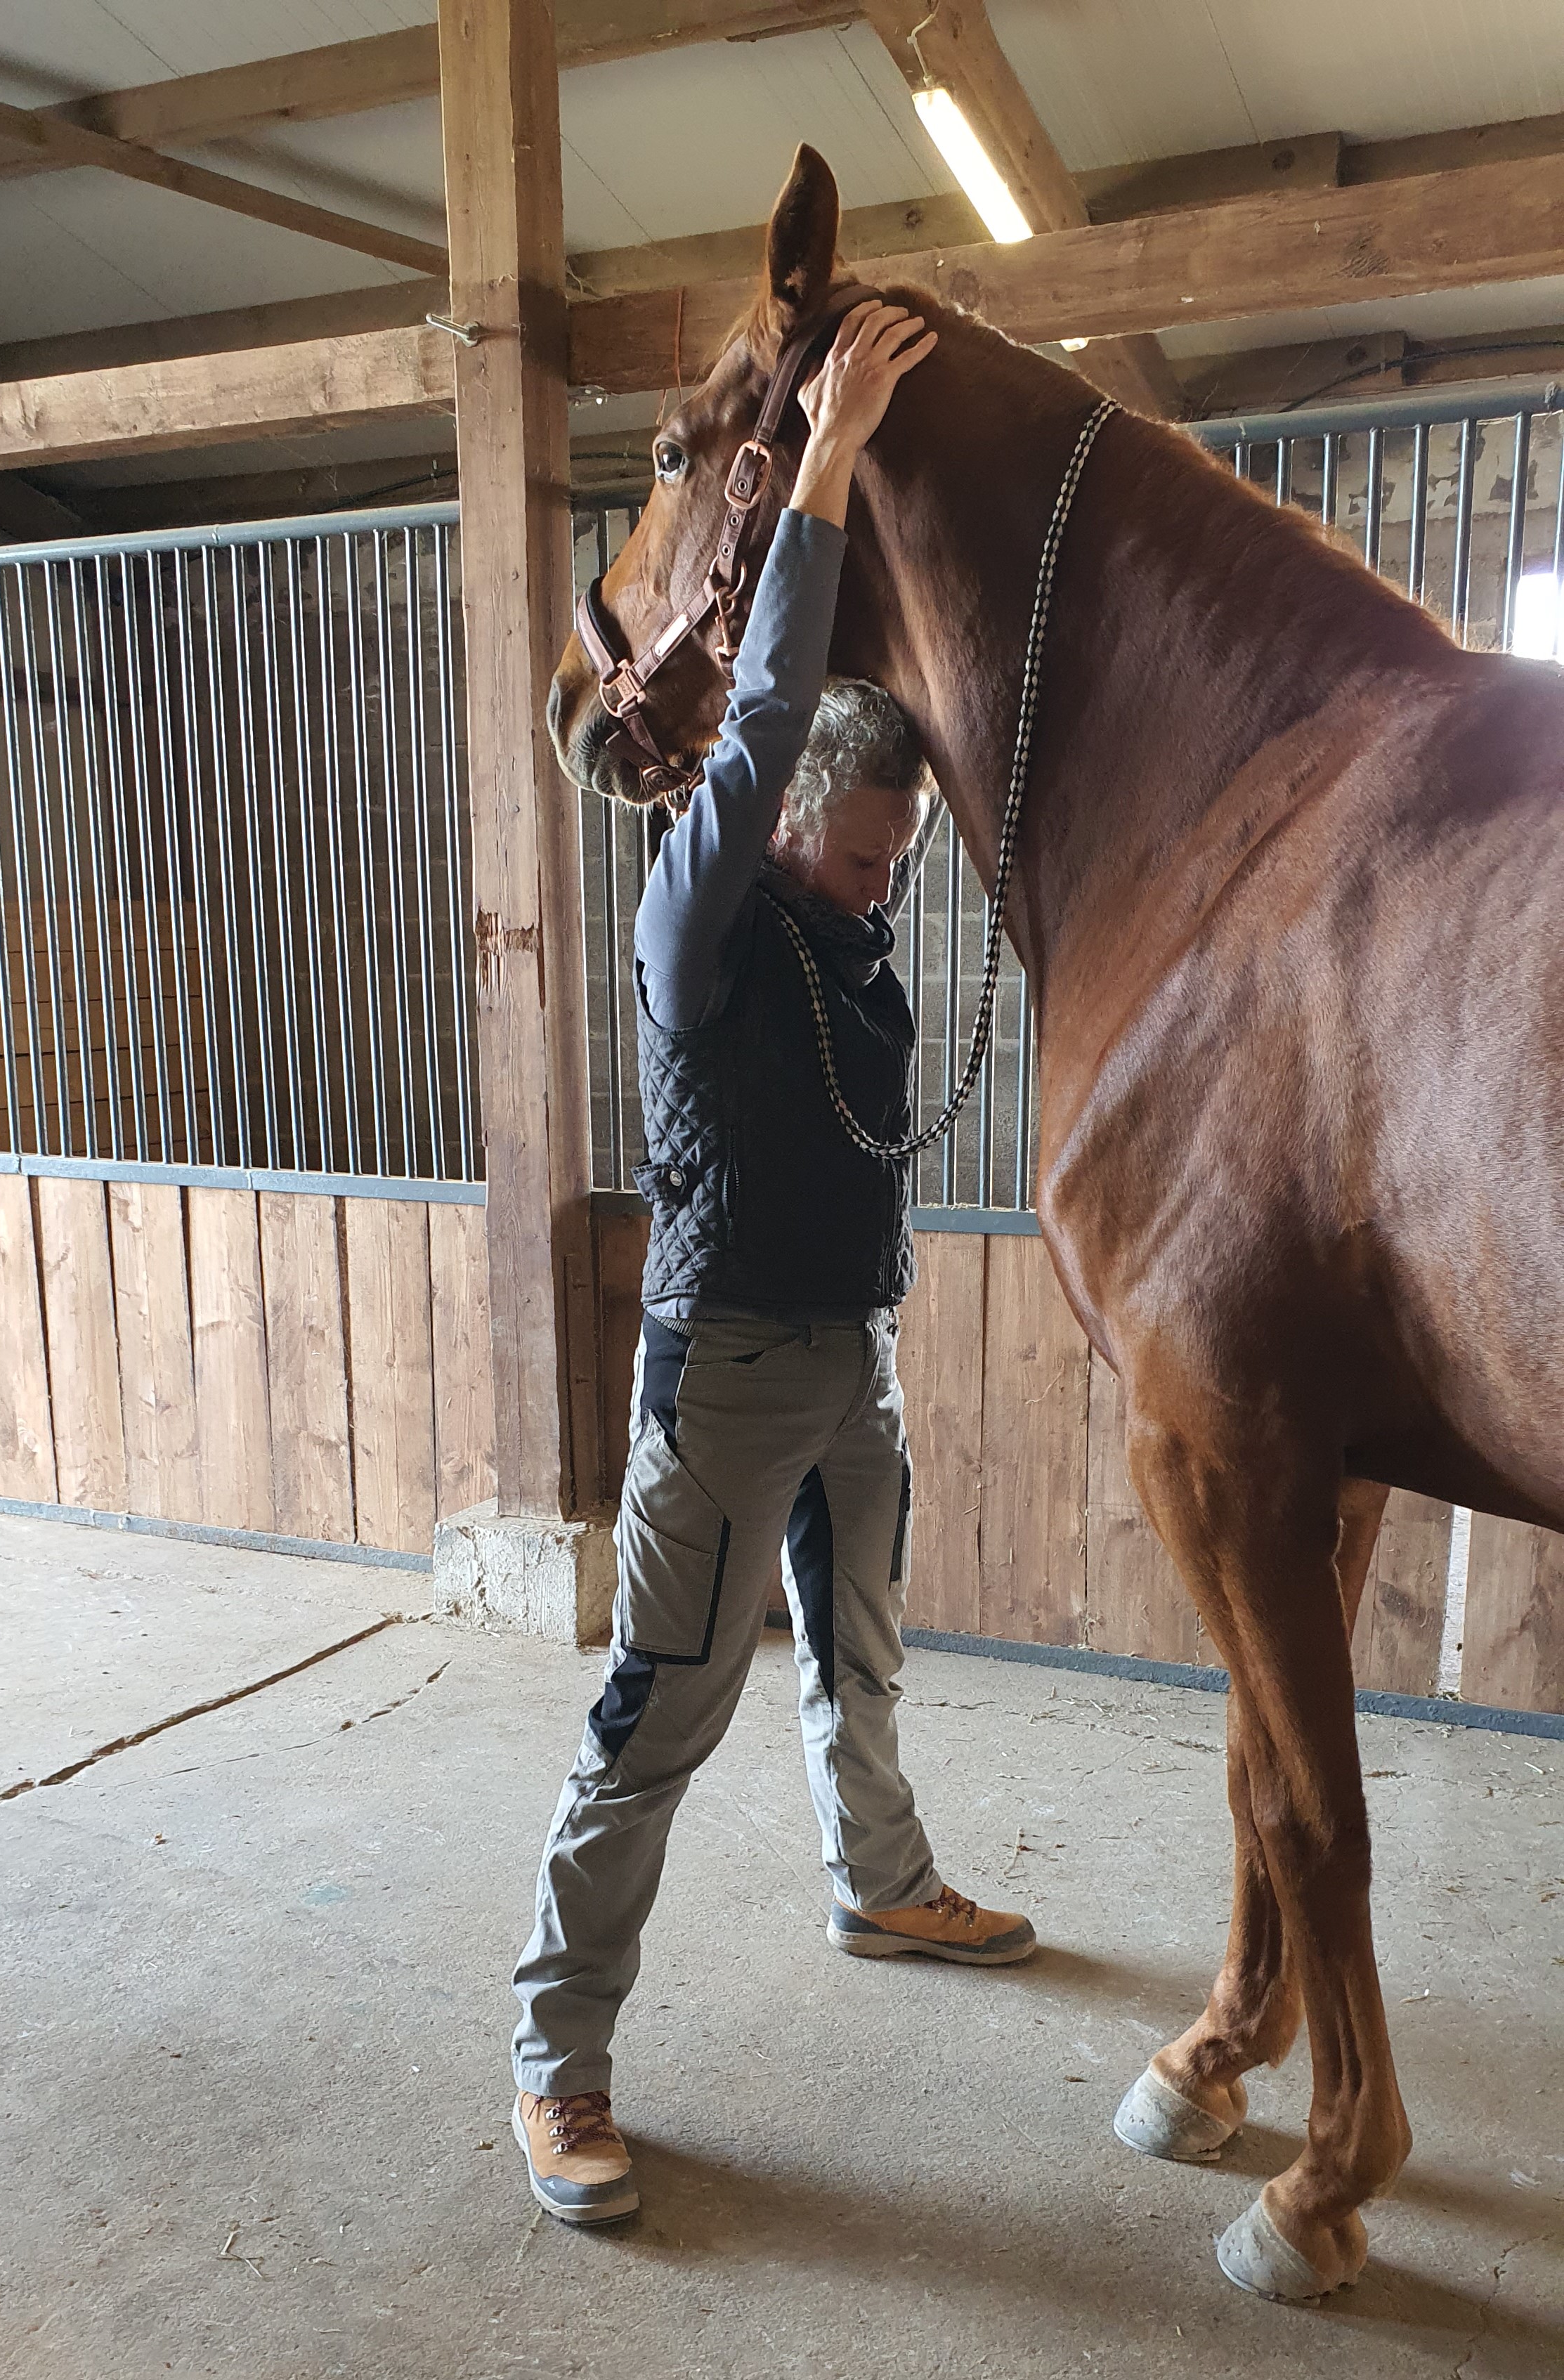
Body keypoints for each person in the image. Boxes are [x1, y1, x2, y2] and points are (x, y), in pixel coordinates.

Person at [511, 301, 1036, 2227]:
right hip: (725, 1370)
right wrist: (817, 468)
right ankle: (558, 2058)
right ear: (790, 820)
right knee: (656, 1709)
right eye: (873, 853)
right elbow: (742, 734)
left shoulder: (853, 930)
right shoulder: (702, 913)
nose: (892, 882)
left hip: (847, 1358)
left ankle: (878, 1877)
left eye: (906, 858)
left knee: (861, 1656)